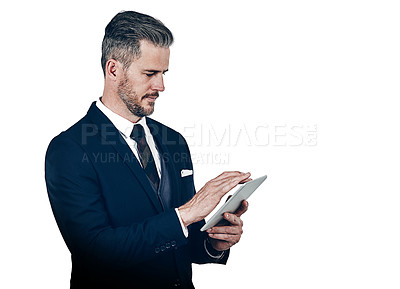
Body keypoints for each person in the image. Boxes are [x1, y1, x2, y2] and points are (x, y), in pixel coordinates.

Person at [45, 10, 251, 289]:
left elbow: (180, 241)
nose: (161, 86)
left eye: (164, 73)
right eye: (150, 73)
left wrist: (213, 242)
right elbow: (96, 252)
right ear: (113, 69)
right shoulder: (68, 150)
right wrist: (188, 212)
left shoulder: (173, 140)